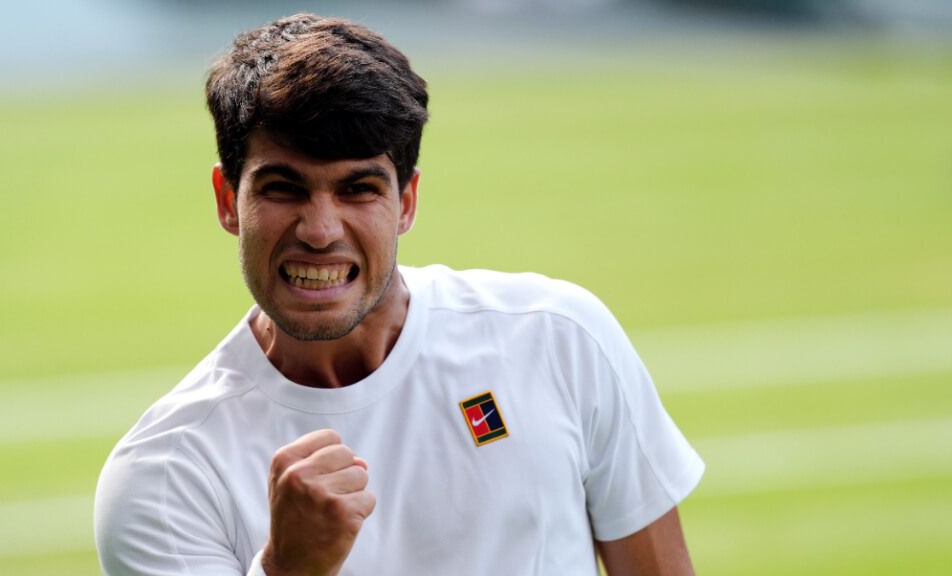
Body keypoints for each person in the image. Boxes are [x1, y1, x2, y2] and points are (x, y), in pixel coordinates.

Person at [94, 13, 704, 576]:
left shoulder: (559, 336)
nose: (321, 230)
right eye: (284, 188)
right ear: (229, 202)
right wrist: (288, 569)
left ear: (406, 202)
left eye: (358, 188)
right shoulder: (163, 476)